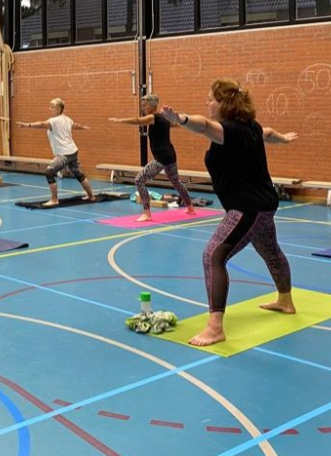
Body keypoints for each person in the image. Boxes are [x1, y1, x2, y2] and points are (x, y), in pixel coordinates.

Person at [160, 78, 297, 347]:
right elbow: (267, 133)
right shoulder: (251, 126)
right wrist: (283, 139)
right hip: (265, 204)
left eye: (210, 98)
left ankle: (215, 327)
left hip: (246, 208)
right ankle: (285, 300)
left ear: (223, 104)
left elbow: (203, 125)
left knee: (213, 255)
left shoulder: (227, 130)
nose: (207, 103)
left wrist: (182, 118)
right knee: (271, 251)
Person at [108, 94, 195, 221]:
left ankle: (147, 213)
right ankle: (190, 207)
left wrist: (120, 120)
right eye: (142, 105)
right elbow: (176, 125)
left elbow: (138, 121)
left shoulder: (153, 117)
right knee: (176, 182)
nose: (143, 107)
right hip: (170, 154)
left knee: (139, 180)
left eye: (145, 105)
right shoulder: (164, 118)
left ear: (152, 106)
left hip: (162, 157)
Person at [16, 98, 95, 206]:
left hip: (65, 154)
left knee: (49, 172)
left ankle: (54, 199)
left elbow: (42, 124)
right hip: (73, 151)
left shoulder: (54, 121)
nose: (49, 109)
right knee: (78, 173)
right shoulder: (67, 119)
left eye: (52, 107)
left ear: (58, 109)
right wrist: (84, 128)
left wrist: (27, 125)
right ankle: (91, 196)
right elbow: (75, 126)